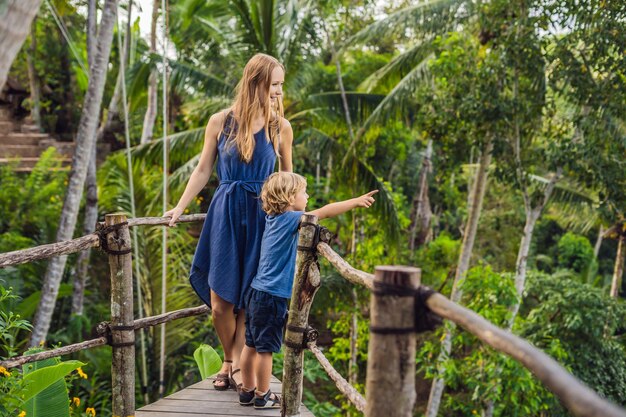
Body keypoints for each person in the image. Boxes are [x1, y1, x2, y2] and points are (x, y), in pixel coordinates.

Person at [164, 53, 293, 391]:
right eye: (274, 85)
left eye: (281, 84)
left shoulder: (280, 127)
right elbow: (203, 169)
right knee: (221, 301)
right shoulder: (220, 122)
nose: (280, 91)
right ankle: (229, 357)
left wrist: (296, 219)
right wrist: (179, 207)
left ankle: (233, 366)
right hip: (225, 214)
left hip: (263, 217)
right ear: (256, 84)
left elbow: (288, 179)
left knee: (252, 295)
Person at [238, 171, 378, 408]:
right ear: (290, 197)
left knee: (250, 344)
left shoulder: (272, 218)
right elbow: (325, 211)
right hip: (271, 296)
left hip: (256, 292)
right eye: (304, 192)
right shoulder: (291, 218)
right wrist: (355, 202)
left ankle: (246, 391)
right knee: (265, 350)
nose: (308, 195)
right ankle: (263, 395)